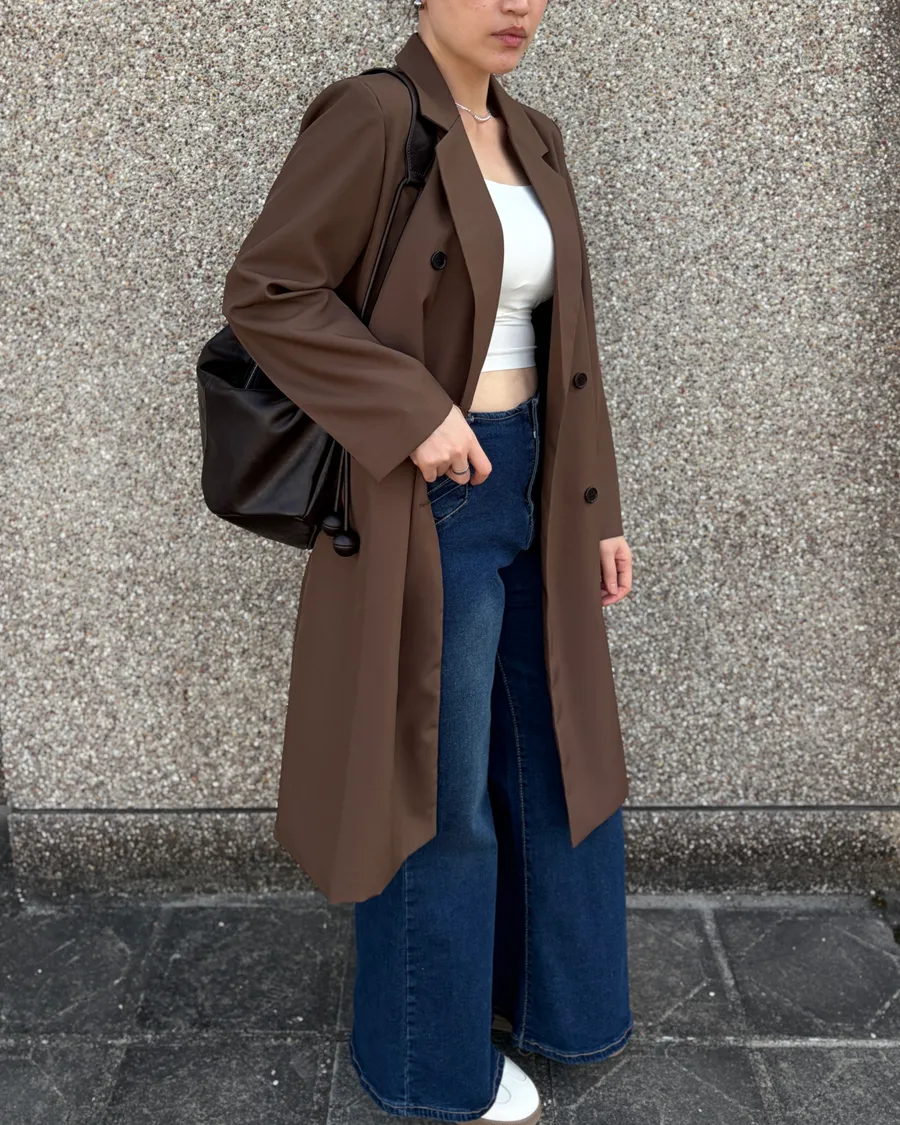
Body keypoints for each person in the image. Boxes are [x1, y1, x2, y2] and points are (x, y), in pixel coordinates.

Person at [222, 2, 634, 1122]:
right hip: (431, 497)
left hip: (537, 483)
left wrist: (597, 508)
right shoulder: (374, 116)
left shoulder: (535, 132)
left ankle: (546, 1005)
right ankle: (426, 1061)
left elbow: (571, 344)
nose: (517, 4)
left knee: (553, 755)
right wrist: (413, 411)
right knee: (436, 786)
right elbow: (269, 290)